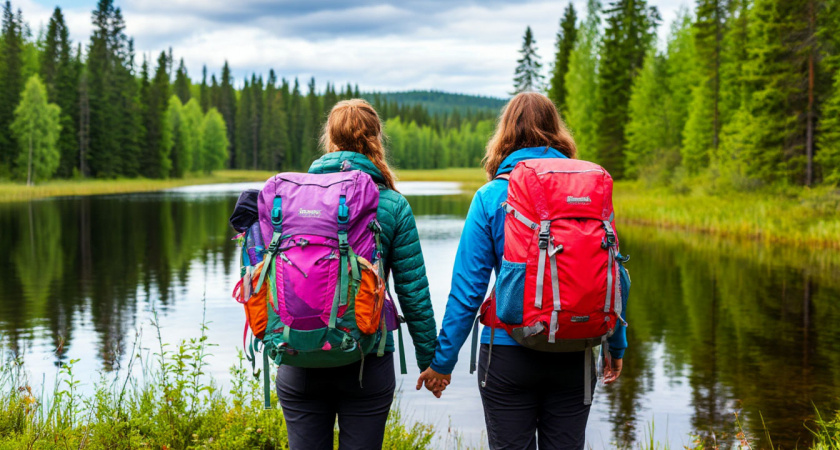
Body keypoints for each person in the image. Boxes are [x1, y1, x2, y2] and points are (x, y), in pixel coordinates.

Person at [416, 92, 627, 449]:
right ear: (556, 131)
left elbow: (468, 292)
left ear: (505, 135)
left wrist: (442, 363)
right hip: (575, 347)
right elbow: (614, 275)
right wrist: (616, 346)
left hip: (506, 350)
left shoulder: (490, 196)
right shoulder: (587, 193)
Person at [276, 99, 436, 450]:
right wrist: (431, 361)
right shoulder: (392, 204)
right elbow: (413, 290)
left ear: (329, 140)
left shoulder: (290, 200)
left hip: (299, 355)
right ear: (377, 138)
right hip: (368, 357)